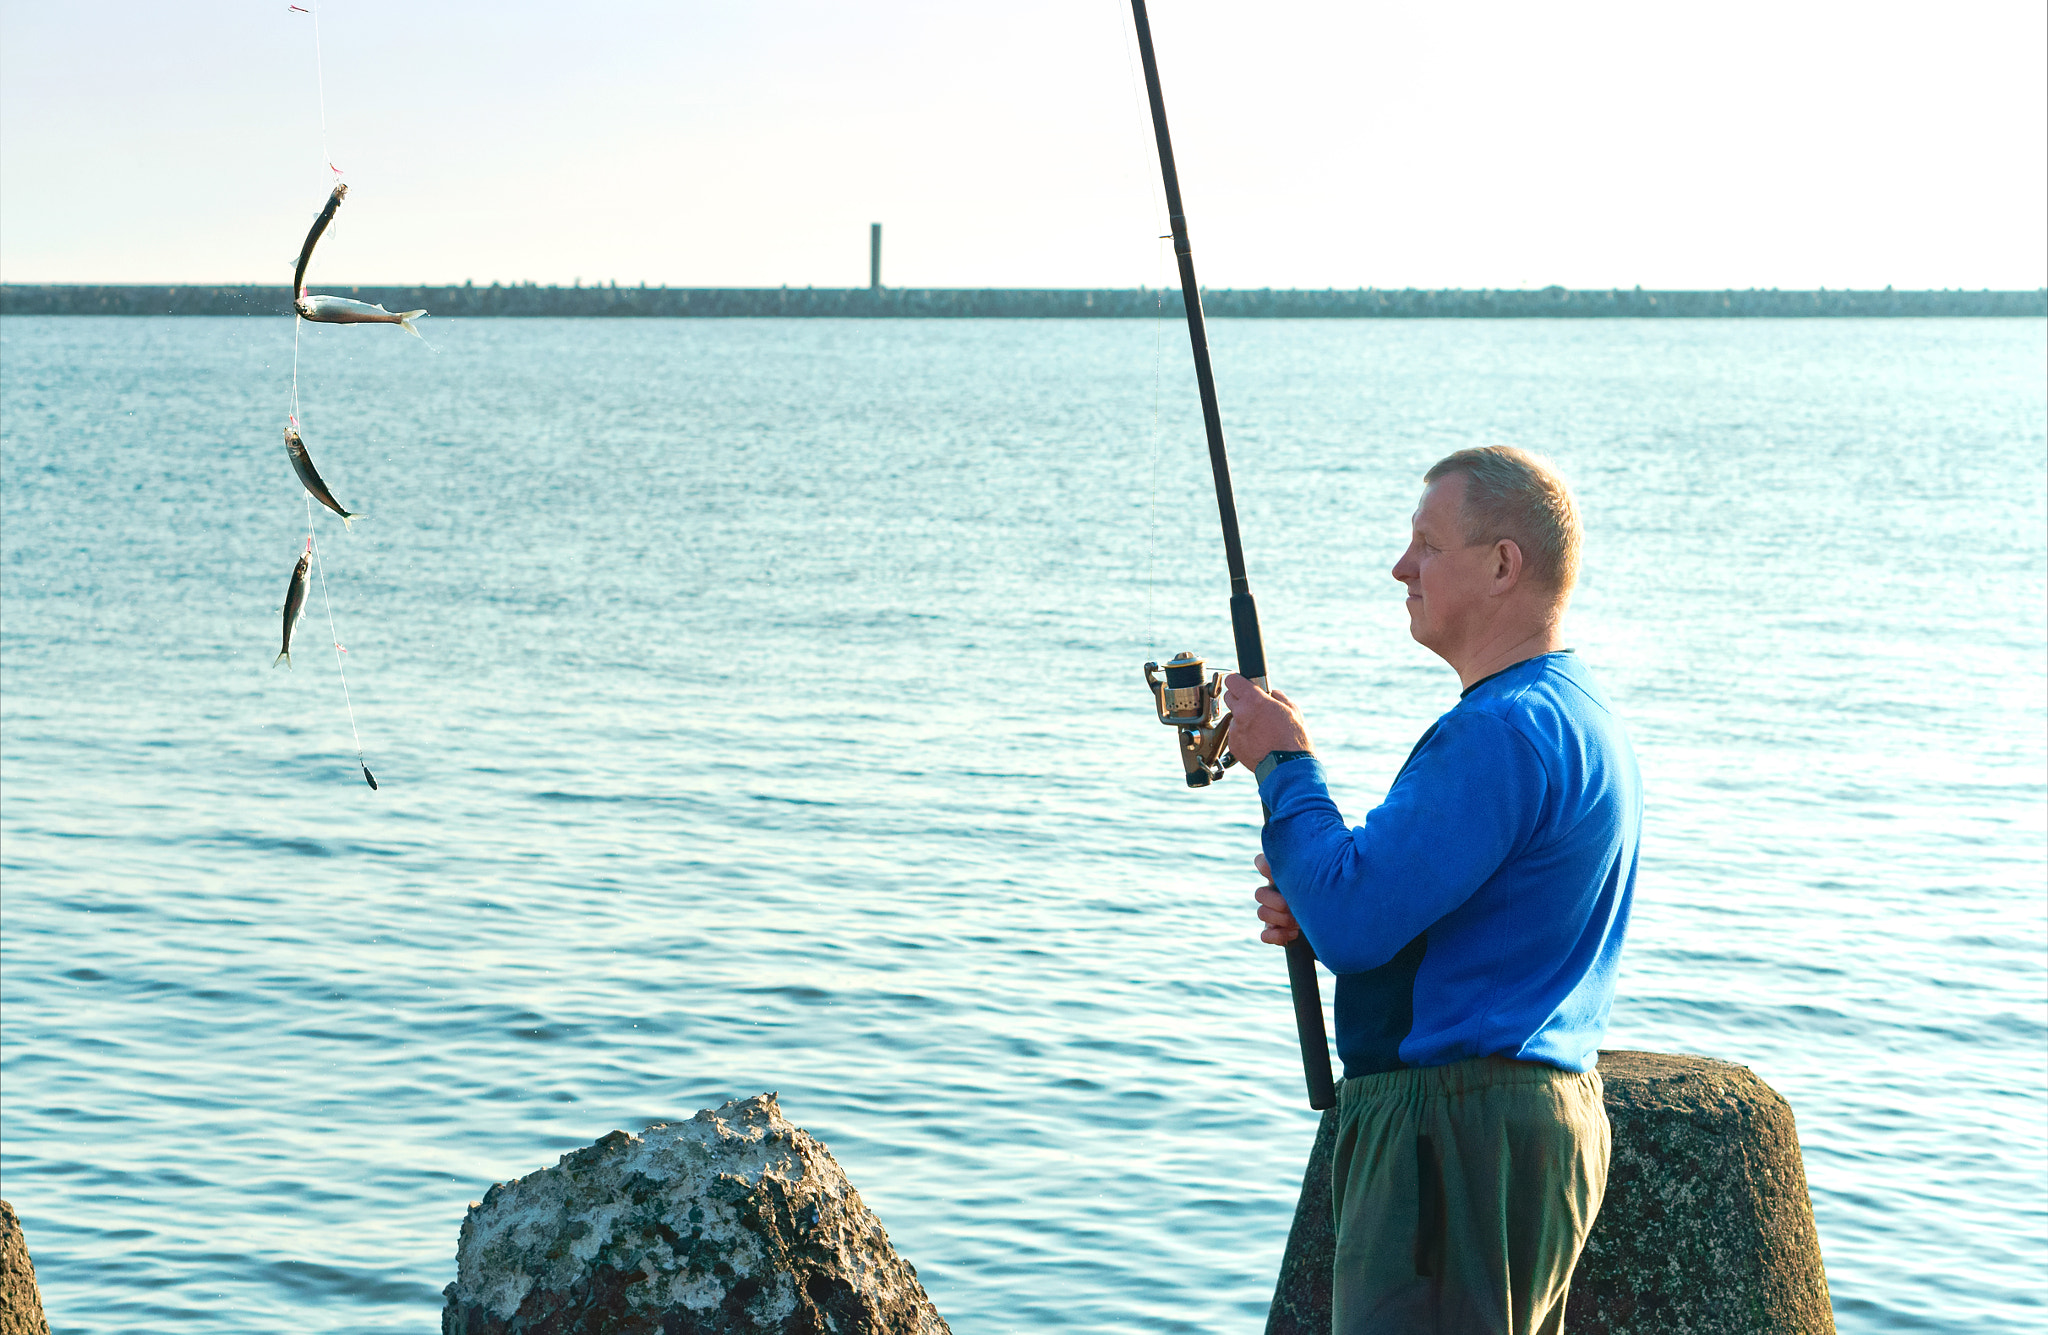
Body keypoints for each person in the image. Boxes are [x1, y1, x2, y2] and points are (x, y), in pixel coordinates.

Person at [1221, 445, 1640, 1335]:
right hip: (1528, 1126)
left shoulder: (1501, 732)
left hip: (1452, 1140)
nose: (1401, 566)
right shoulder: (1575, 712)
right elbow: (1464, 914)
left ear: (1501, 564)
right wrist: (1322, 896)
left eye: (1427, 545)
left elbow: (1357, 916)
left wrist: (1285, 764)